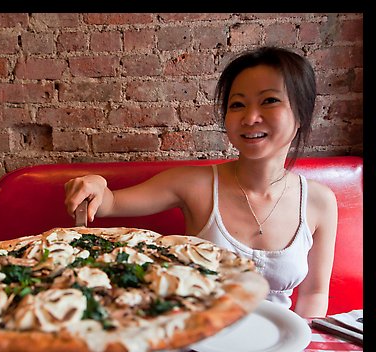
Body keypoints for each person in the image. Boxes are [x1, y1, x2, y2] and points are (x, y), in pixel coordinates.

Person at [64, 46, 337, 318]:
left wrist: (297, 346)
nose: (251, 118)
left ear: (301, 113)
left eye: (269, 101)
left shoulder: (319, 202)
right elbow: (110, 204)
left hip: (278, 343)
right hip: (198, 339)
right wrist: (96, 185)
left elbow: (315, 294)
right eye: (237, 105)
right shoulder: (193, 184)